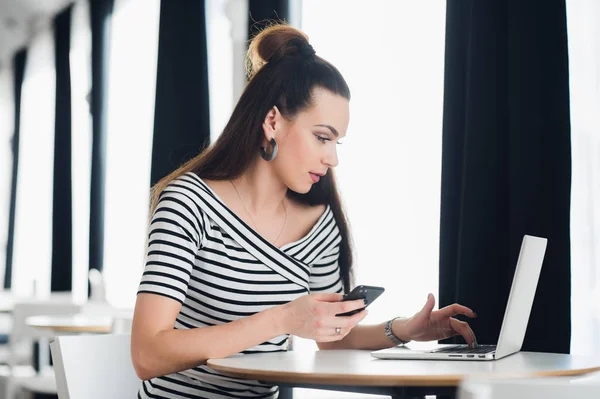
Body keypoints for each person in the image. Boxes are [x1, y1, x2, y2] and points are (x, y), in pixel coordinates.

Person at [131, 24, 478, 399]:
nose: (333, 158)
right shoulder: (188, 203)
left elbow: (332, 340)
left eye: (337, 142)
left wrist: (404, 330)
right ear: (273, 122)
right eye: (322, 137)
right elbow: (148, 354)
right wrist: (280, 319)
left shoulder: (319, 223)